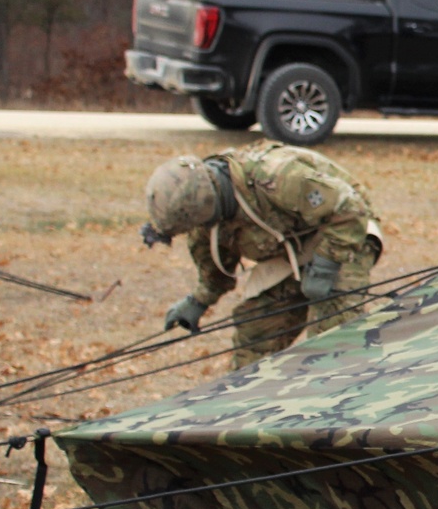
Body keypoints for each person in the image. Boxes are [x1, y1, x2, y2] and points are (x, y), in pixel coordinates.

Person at [142, 141, 382, 369]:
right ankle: (252, 404)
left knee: (333, 338)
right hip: (291, 254)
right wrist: (198, 301)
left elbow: (350, 208)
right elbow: (216, 268)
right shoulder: (205, 222)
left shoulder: (275, 175)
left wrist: (325, 266)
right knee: (255, 332)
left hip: (344, 233)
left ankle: (343, 397)